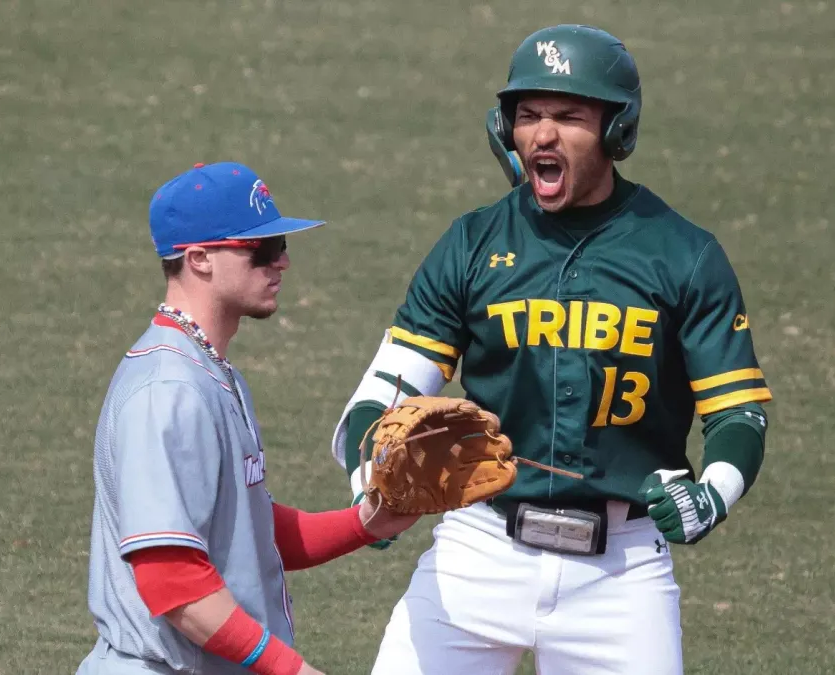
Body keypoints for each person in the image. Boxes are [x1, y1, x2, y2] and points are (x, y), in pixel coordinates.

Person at [328, 24, 774, 674]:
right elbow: (379, 397)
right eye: (528, 115)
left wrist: (714, 490)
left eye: (569, 116)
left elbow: (739, 413)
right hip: (478, 548)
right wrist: (371, 479)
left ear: (617, 132)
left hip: (620, 572)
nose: (543, 134)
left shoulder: (683, 254)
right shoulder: (472, 244)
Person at [76, 161, 419, 675]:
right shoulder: (169, 391)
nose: (281, 263)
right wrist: (291, 670)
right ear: (199, 258)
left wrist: (366, 523)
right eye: (261, 249)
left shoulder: (212, 372)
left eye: (281, 246)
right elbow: (172, 578)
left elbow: (246, 528)